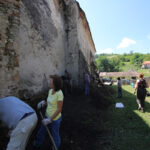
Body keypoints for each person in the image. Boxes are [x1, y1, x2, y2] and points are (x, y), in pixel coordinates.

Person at [34, 75, 64, 150]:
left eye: (50, 81)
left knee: (55, 135)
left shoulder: (60, 94)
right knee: (41, 131)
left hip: (55, 119)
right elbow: (49, 102)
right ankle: (37, 143)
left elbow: (59, 109)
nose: (49, 82)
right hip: (47, 116)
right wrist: (43, 103)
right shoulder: (50, 91)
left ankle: (55, 146)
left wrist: (50, 120)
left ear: (55, 83)